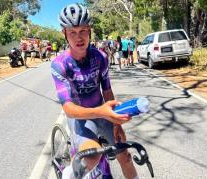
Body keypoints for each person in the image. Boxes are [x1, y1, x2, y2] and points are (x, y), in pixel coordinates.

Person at [51, 3, 138, 179]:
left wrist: (116, 121)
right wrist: (101, 112)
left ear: (90, 30)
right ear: (65, 33)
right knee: (92, 158)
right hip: (80, 118)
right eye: (73, 32)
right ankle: (69, 173)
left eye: (83, 30)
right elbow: (68, 108)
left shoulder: (100, 57)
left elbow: (107, 91)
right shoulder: (59, 64)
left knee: (126, 157)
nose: (79, 37)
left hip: (103, 113)